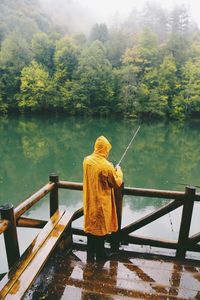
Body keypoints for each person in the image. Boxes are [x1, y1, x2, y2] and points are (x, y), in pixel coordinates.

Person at [83, 135, 123, 262]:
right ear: (105, 149)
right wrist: (119, 171)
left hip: (89, 199)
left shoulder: (87, 161)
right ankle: (101, 254)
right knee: (101, 227)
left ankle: (90, 251)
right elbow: (116, 183)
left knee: (91, 224)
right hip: (101, 202)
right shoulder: (107, 166)